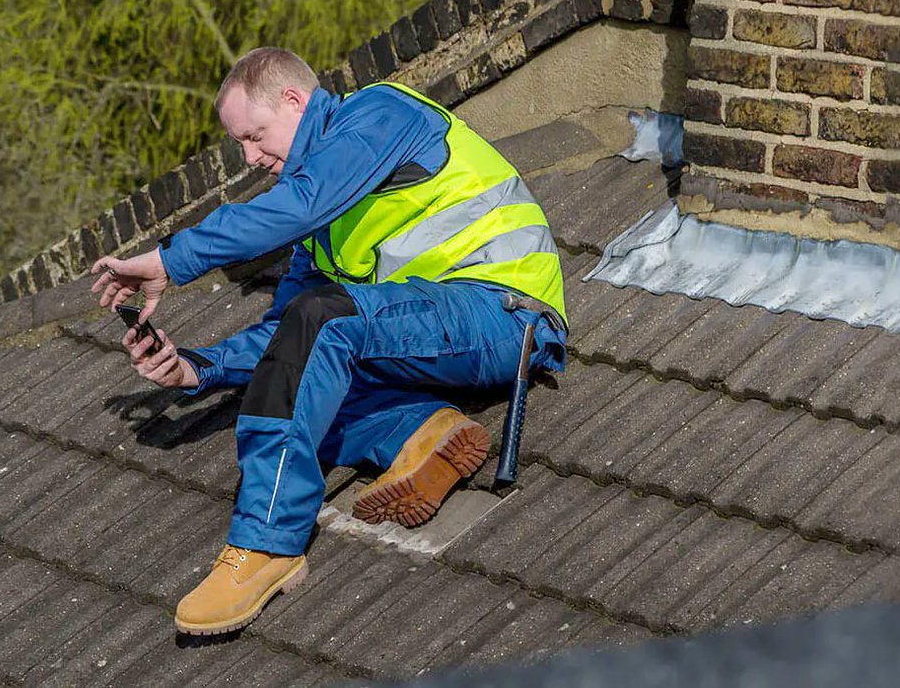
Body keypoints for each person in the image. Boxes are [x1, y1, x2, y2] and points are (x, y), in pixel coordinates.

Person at [90, 47, 567, 636]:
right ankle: (417, 431)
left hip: (506, 315)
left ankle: (266, 544)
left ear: (295, 100)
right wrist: (197, 368)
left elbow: (299, 211)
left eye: (255, 136)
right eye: (240, 145)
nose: (250, 158)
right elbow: (286, 336)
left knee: (322, 322)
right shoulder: (320, 224)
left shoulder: (380, 114)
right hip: (431, 332)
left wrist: (170, 259)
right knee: (297, 378)